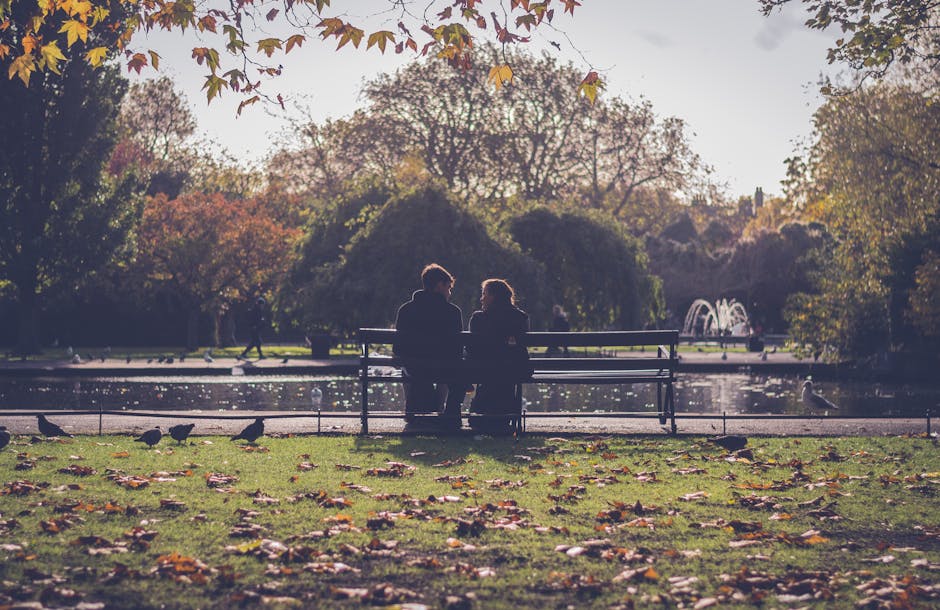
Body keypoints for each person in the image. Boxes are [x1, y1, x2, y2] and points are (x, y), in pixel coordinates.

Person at [394, 264, 467, 430]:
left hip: (415, 368)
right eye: (448, 287)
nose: (449, 292)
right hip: (443, 368)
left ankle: (413, 409)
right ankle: (439, 409)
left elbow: (398, 348)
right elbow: (456, 349)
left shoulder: (406, 310)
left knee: (408, 366)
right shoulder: (453, 312)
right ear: (439, 285)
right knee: (448, 368)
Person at [467, 278, 531, 434]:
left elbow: (471, 349)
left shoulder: (479, 318)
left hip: (484, 370)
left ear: (494, 296)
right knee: (502, 371)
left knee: (487, 369)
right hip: (514, 370)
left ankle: (485, 413)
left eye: (484, 294)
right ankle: (503, 413)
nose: (481, 298)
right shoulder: (520, 317)